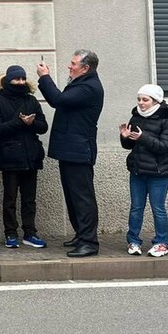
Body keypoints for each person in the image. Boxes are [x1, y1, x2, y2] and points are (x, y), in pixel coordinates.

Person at [36, 50, 104, 258]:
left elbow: (58, 99)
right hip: (70, 149)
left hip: (79, 150)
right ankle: (81, 235)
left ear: (85, 68)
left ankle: (89, 242)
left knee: (82, 198)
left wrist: (45, 77)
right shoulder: (81, 83)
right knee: (72, 196)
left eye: (74, 64)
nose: (69, 66)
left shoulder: (88, 87)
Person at [0, 65, 48, 250]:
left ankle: (30, 233)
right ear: (8, 81)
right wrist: (19, 122)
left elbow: (43, 126)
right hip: (9, 156)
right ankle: (10, 234)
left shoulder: (31, 100)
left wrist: (31, 123)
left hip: (31, 156)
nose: (21, 82)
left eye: (23, 79)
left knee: (29, 199)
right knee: (10, 199)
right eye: (17, 79)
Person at [119, 84, 168, 258]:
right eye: (139, 99)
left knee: (158, 208)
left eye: (145, 100)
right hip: (138, 170)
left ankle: (162, 243)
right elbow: (130, 145)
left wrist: (143, 137)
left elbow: (166, 146)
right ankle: (133, 241)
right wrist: (125, 137)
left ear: (156, 101)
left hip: (159, 172)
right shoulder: (136, 117)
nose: (141, 103)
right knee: (136, 208)